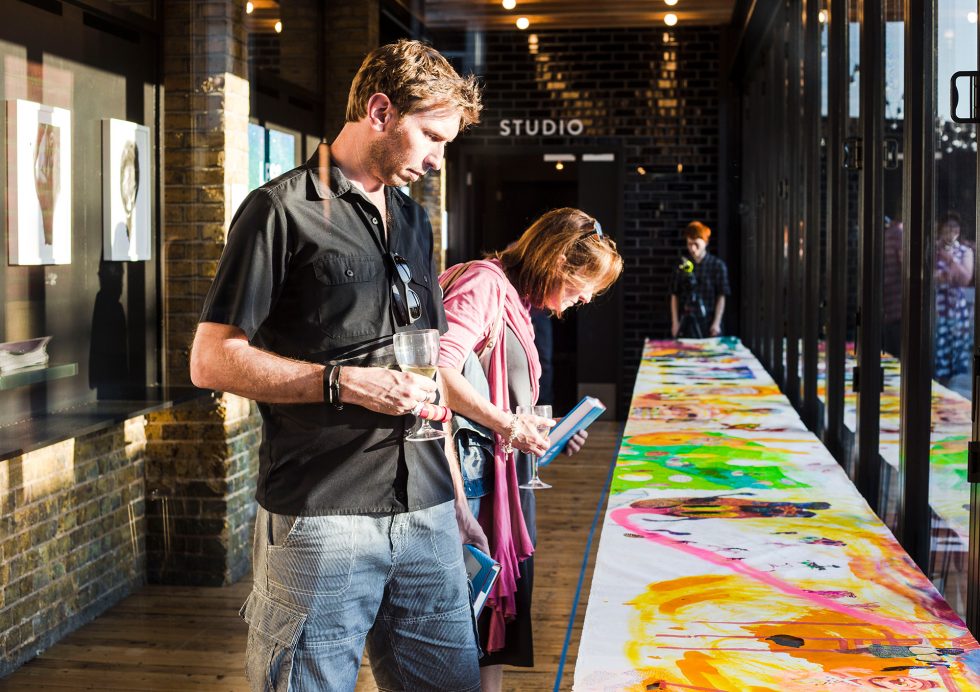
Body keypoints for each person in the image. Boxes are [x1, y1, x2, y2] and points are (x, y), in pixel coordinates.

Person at [189, 40, 486, 692]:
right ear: (379, 111)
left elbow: (428, 363)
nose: (439, 160)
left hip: (428, 507)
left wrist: (458, 498)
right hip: (323, 514)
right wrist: (341, 381)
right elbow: (210, 360)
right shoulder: (280, 211)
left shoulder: (413, 219)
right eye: (431, 138)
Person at [437, 208, 624, 691]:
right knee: (469, 634)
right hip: (471, 494)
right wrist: (510, 426)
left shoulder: (517, 301)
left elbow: (503, 403)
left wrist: (549, 431)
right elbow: (436, 374)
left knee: (492, 639)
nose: (584, 297)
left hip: (502, 486)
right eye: (585, 284)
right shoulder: (482, 283)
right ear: (559, 259)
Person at [670, 220, 731, 338]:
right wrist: (675, 323)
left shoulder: (717, 265)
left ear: (705, 242)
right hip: (686, 325)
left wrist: (716, 323)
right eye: (689, 244)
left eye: (696, 244)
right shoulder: (682, 265)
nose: (693, 248)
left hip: (709, 324)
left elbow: (721, 296)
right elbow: (674, 294)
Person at [934, 212, 974, 383]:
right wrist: (947, 275)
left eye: (955, 227)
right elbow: (930, 277)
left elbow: (965, 278)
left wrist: (948, 260)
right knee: (939, 357)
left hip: (958, 311)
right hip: (938, 311)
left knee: (958, 356)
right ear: (941, 228)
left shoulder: (965, 251)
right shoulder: (933, 248)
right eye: (948, 226)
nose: (952, 230)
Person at [882, 215, 904, 357]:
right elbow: (906, 265)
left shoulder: (886, 235)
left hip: (887, 303)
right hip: (899, 302)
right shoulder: (899, 235)